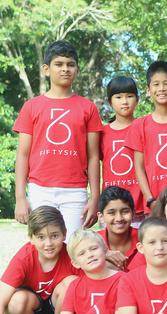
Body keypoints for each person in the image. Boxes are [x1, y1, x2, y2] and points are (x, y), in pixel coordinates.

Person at [14, 40, 102, 240]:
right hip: (40, 189)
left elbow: (93, 156)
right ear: (46, 69)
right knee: (45, 246)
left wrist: (94, 197)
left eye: (70, 65)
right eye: (59, 64)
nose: (65, 69)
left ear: (77, 70)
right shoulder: (32, 106)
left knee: (74, 246)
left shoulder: (88, 108)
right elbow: (23, 154)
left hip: (75, 190)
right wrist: (20, 197)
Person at [26, 230, 122, 314]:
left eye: (93, 248)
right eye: (82, 253)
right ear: (75, 263)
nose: (90, 255)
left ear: (105, 250)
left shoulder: (122, 280)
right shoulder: (75, 285)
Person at [0, 206, 78, 314]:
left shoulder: (71, 255)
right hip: (32, 308)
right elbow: (1, 299)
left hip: (61, 309)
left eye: (54, 236)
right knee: (15, 300)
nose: (48, 243)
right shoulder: (24, 257)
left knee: (72, 282)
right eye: (41, 237)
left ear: (64, 234)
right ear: (31, 238)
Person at [125, 60, 167, 213]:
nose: (161, 89)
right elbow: (139, 167)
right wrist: (150, 200)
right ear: (148, 90)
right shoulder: (140, 125)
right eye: (156, 84)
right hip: (155, 204)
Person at [100, 76, 145, 225]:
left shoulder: (144, 127)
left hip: (141, 207)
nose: (125, 102)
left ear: (137, 99)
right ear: (109, 101)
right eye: (118, 97)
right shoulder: (102, 133)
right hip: (111, 208)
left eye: (129, 96)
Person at [97, 186, 140, 272]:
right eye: (111, 213)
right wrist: (102, 255)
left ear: (133, 213)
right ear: (101, 217)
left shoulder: (145, 239)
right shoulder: (93, 241)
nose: (119, 218)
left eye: (125, 211)